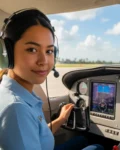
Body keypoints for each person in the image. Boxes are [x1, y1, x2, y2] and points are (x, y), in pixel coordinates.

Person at [0, 8, 104, 150]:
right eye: (32, 49)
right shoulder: (17, 109)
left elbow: (35, 135)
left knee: (82, 139)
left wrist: (60, 119)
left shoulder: (17, 91)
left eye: (49, 51)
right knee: (97, 147)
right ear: (7, 54)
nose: (44, 61)